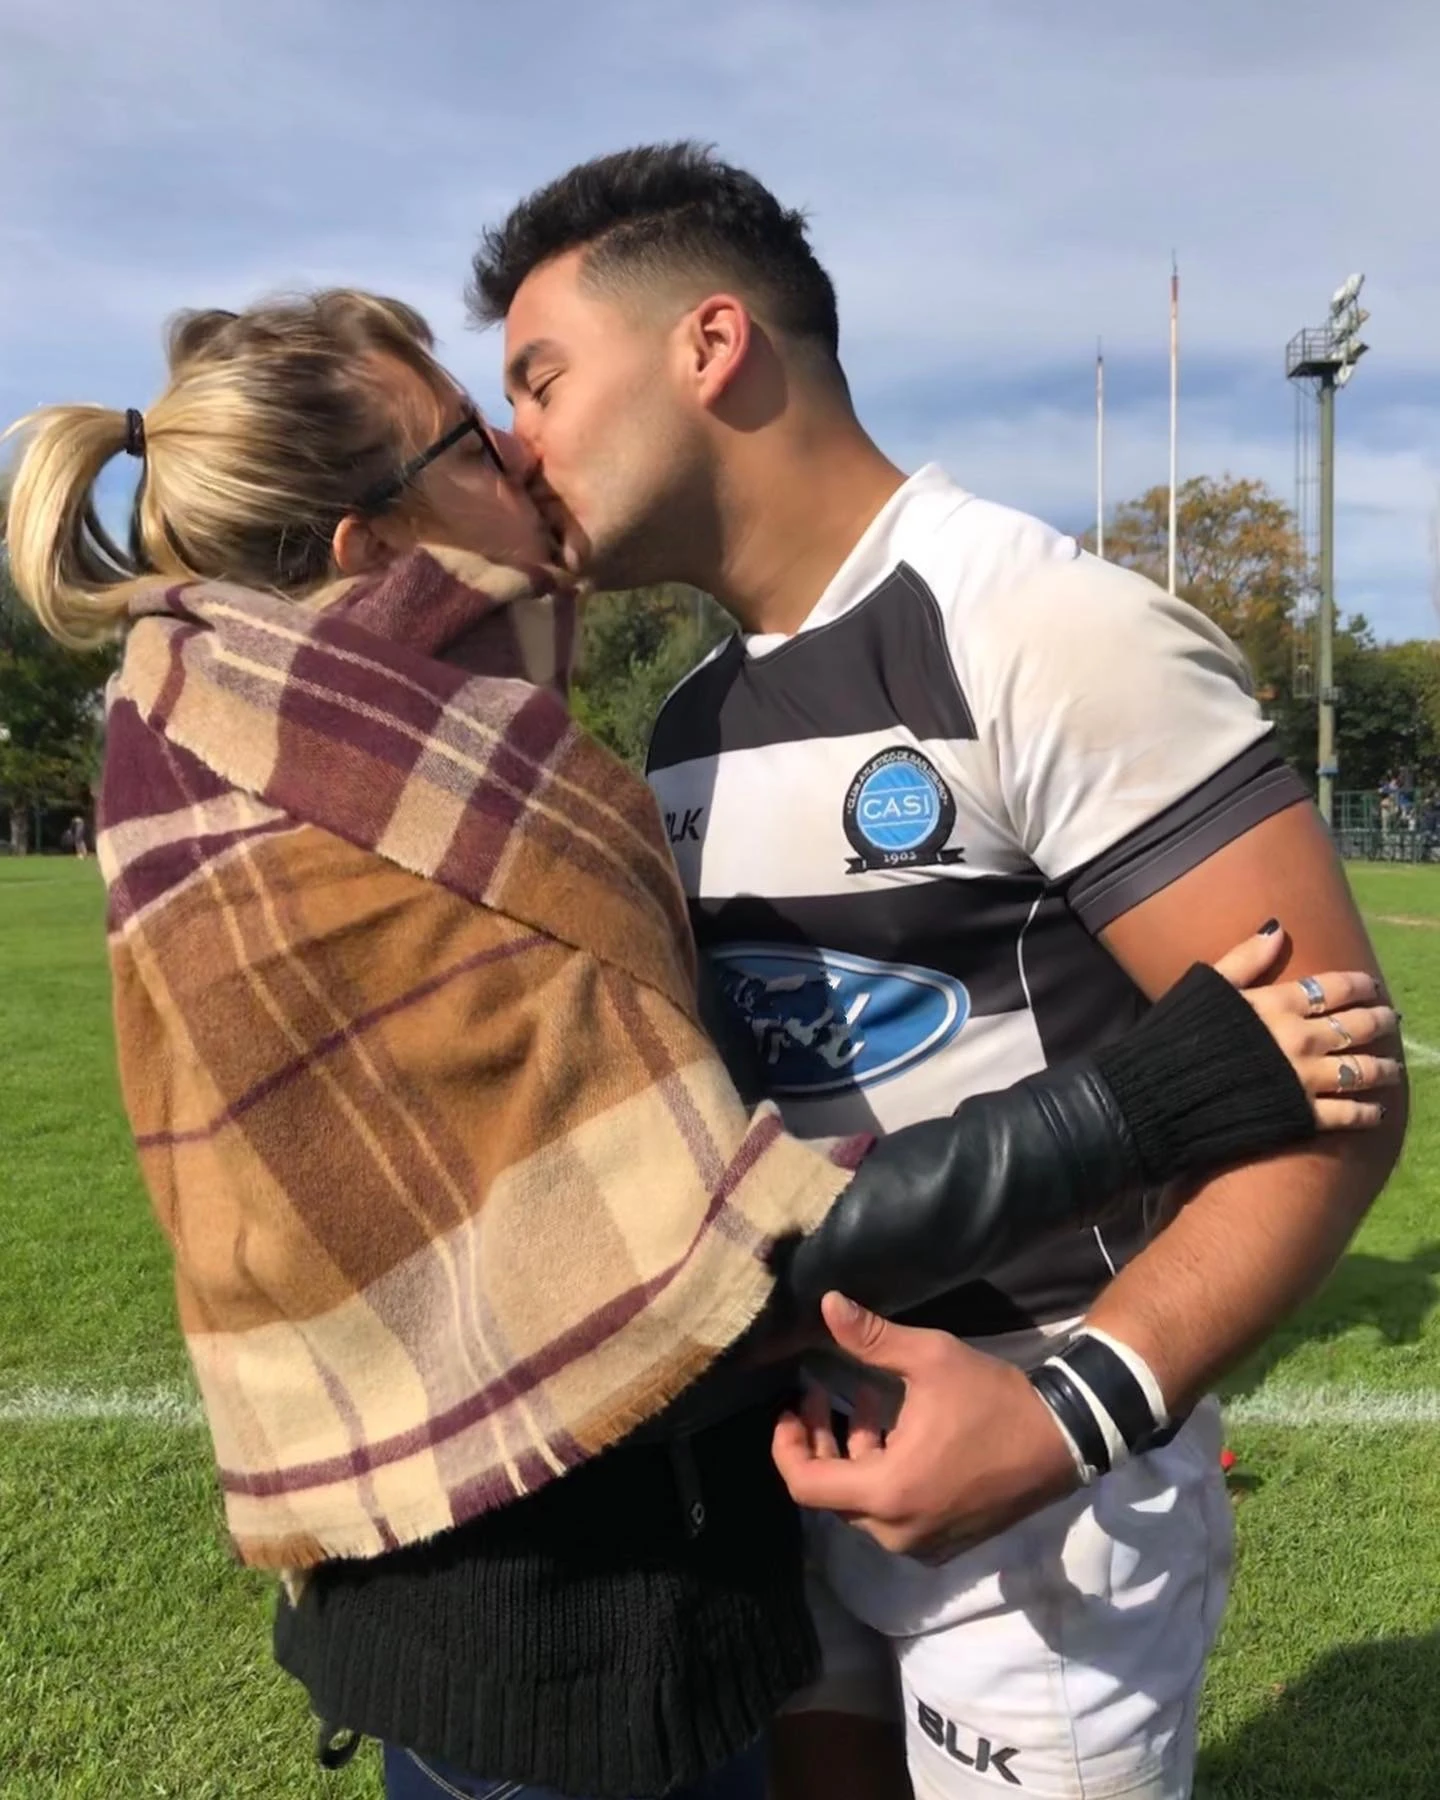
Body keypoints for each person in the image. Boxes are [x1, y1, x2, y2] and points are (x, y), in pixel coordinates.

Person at [2, 296, 1393, 1800]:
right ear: (372, 543)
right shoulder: (343, 826)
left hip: (648, 1565)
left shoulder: (391, 755)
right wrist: (1149, 1100)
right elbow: (673, 1266)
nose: (519, 450)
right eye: (473, 432)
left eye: (532, 387)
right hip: (554, 1638)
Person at [472, 144, 1408, 1800]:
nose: (515, 442)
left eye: (540, 380)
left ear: (710, 344)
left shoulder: (1041, 630)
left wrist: (1063, 1417)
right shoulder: (686, 725)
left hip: (1046, 1497)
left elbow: (1336, 1083)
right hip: (797, 1459)